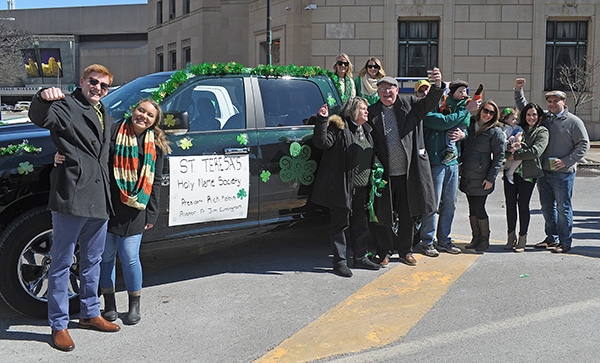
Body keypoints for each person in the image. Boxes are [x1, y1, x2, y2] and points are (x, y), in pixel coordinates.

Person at [28, 64, 121, 352]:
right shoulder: (66, 104)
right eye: (93, 82)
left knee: (92, 260)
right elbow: (41, 117)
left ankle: (91, 313)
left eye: (104, 86)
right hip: (73, 194)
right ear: (82, 81)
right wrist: (44, 96)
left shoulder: (105, 112)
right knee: (61, 263)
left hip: (99, 197)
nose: (98, 89)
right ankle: (59, 325)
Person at [55, 98, 172, 323]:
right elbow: (88, 150)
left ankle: (134, 305)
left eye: (150, 115)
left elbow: (155, 181)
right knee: (106, 257)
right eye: (141, 110)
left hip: (136, 207)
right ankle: (108, 304)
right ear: (133, 110)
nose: (143, 116)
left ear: (154, 121)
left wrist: (152, 212)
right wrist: (61, 154)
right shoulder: (114, 130)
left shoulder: (155, 144)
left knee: (129, 257)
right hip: (107, 204)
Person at [368, 71, 445, 267]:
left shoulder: (410, 104)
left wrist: (437, 85)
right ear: (377, 91)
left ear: (397, 89)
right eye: (382, 88)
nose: (387, 92)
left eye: (390, 88)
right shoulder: (372, 112)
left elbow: (429, 103)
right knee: (382, 213)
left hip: (409, 172)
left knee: (408, 213)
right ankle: (384, 252)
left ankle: (405, 251)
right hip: (384, 174)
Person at [514, 78, 590, 253]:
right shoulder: (545, 118)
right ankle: (551, 238)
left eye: (556, 101)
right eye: (549, 101)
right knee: (547, 207)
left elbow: (583, 145)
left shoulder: (574, 122)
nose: (552, 104)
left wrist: (566, 161)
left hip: (564, 173)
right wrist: (518, 90)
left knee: (563, 208)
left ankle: (565, 242)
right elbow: (526, 107)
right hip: (544, 171)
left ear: (564, 102)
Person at [311, 97, 381, 277]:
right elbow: (322, 143)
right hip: (342, 186)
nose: (367, 112)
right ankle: (340, 262)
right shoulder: (339, 128)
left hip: (362, 187)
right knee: (340, 225)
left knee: (360, 223)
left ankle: (361, 257)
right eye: (363, 109)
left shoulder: (366, 129)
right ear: (353, 111)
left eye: (367, 109)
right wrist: (322, 120)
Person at [419, 80, 481, 257]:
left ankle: (444, 240)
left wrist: (464, 134)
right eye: (422, 91)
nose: (426, 94)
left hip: (452, 164)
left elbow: (463, 126)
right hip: (436, 163)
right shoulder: (428, 112)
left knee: (450, 204)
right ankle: (428, 242)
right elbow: (445, 123)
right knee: (432, 204)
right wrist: (466, 110)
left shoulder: (454, 107)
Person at [502, 102, 548, 252]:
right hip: (510, 172)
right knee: (510, 205)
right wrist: (508, 151)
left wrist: (514, 154)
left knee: (523, 205)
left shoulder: (542, 131)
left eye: (534, 114)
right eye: (528, 114)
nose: (531, 117)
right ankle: (510, 237)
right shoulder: (518, 128)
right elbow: (504, 144)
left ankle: (522, 238)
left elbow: (535, 151)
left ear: (539, 116)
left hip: (528, 174)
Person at [460, 100, 506, 252]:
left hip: (482, 176)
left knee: (479, 207)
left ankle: (484, 239)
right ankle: (476, 237)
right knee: (472, 208)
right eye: (485, 111)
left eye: (491, 113)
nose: (487, 114)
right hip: (468, 173)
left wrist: (491, 178)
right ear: (480, 110)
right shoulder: (470, 124)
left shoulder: (495, 131)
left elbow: (499, 157)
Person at [439, 80, 480, 165]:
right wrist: (444, 110)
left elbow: (475, 101)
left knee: (450, 135)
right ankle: (457, 154)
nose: (463, 94)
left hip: (462, 123)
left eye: (464, 91)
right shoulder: (448, 100)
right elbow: (442, 107)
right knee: (455, 139)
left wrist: (478, 93)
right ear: (453, 92)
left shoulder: (466, 101)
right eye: (460, 92)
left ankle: (451, 151)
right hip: (453, 122)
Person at [499, 107, 523, 184]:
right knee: (519, 157)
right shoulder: (504, 130)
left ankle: (509, 172)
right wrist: (512, 144)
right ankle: (509, 173)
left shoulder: (516, 127)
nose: (515, 121)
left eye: (516, 119)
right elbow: (503, 142)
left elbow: (522, 131)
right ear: (506, 120)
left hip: (516, 147)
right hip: (509, 149)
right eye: (513, 119)